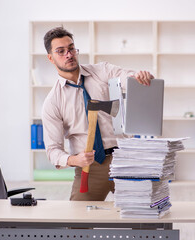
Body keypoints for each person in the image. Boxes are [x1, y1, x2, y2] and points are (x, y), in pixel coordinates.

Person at [42, 27, 154, 201]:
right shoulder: (53, 101)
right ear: (50, 57)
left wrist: (138, 77)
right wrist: (74, 160)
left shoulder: (102, 71)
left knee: (145, 216)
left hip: (125, 159)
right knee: (77, 225)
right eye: (61, 51)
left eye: (71, 48)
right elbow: (53, 150)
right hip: (89, 168)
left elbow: (125, 77)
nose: (69, 54)